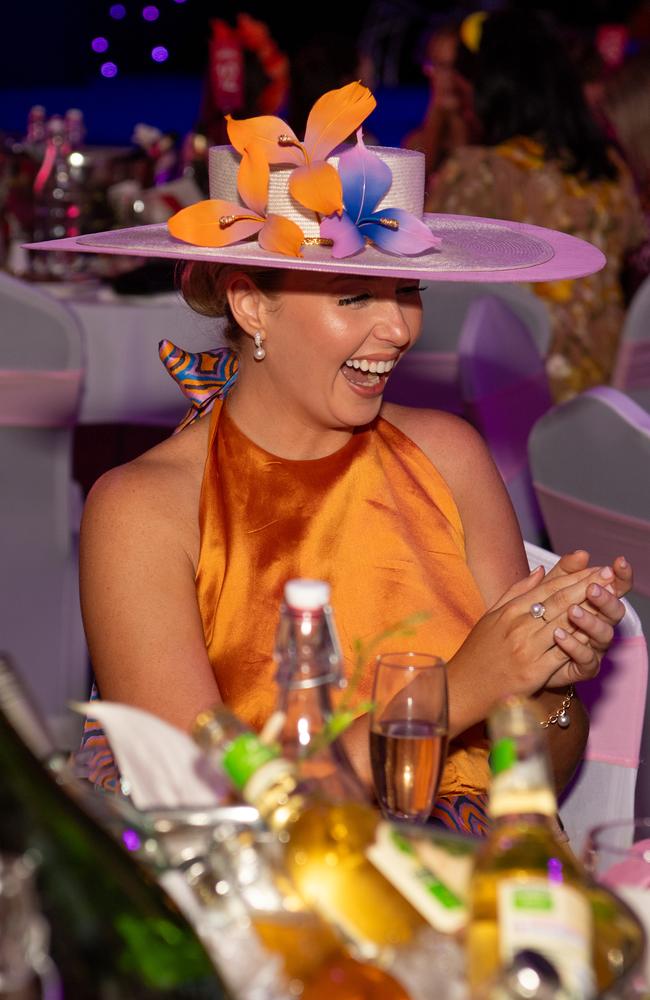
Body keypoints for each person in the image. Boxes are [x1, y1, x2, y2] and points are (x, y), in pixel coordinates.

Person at [28, 82, 633, 836]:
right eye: (354, 297)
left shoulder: (448, 457)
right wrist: (459, 689)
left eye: (406, 290)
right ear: (251, 305)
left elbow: (535, 777)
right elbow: (207, 822)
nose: (399, 329)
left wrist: (553, 686)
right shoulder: (147, 509)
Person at [426, 10, 647, 403]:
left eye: (464, 94)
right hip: (607, 398)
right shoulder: (608, 170)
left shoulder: (480, 173)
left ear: (490, 92)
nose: (463, 108)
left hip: (517, 397)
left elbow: (432, 288)